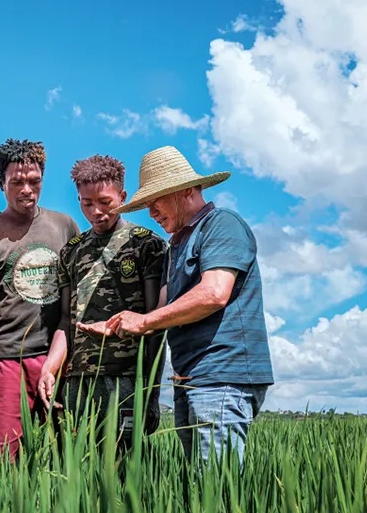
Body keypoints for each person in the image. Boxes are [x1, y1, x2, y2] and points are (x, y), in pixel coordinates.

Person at [79, 146, 274, 466]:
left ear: (186, 190)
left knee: (215, 482)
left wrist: (144, 322)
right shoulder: (177, 245)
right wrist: (117, 324)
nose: (151, 213)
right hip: (190, 378)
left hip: (221, 376)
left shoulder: (221, 224)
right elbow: (160, 310)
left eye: (156, 200)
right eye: (147, 205)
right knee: (198, 483)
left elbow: (214, 293)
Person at [37, 154, 168, 448]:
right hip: (78, 381)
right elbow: (66, 321)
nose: (96, 211)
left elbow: (156, 325)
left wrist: (151, 392)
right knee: (76, 464)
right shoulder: (72, 252)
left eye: (105, 202)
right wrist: (50, 368)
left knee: (124, 465)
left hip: (126, 380)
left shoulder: (146, 245)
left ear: (122, 196)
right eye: (86, 203)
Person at [0, 138, 80, 459]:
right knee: (3, 461)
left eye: (34, 181)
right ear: (1, 183)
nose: (27, 189)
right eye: (17, 182)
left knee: (65, 458)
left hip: (60, 359)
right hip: (8, 361)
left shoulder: (65, 227)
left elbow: (75, 304)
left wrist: (64, 360)